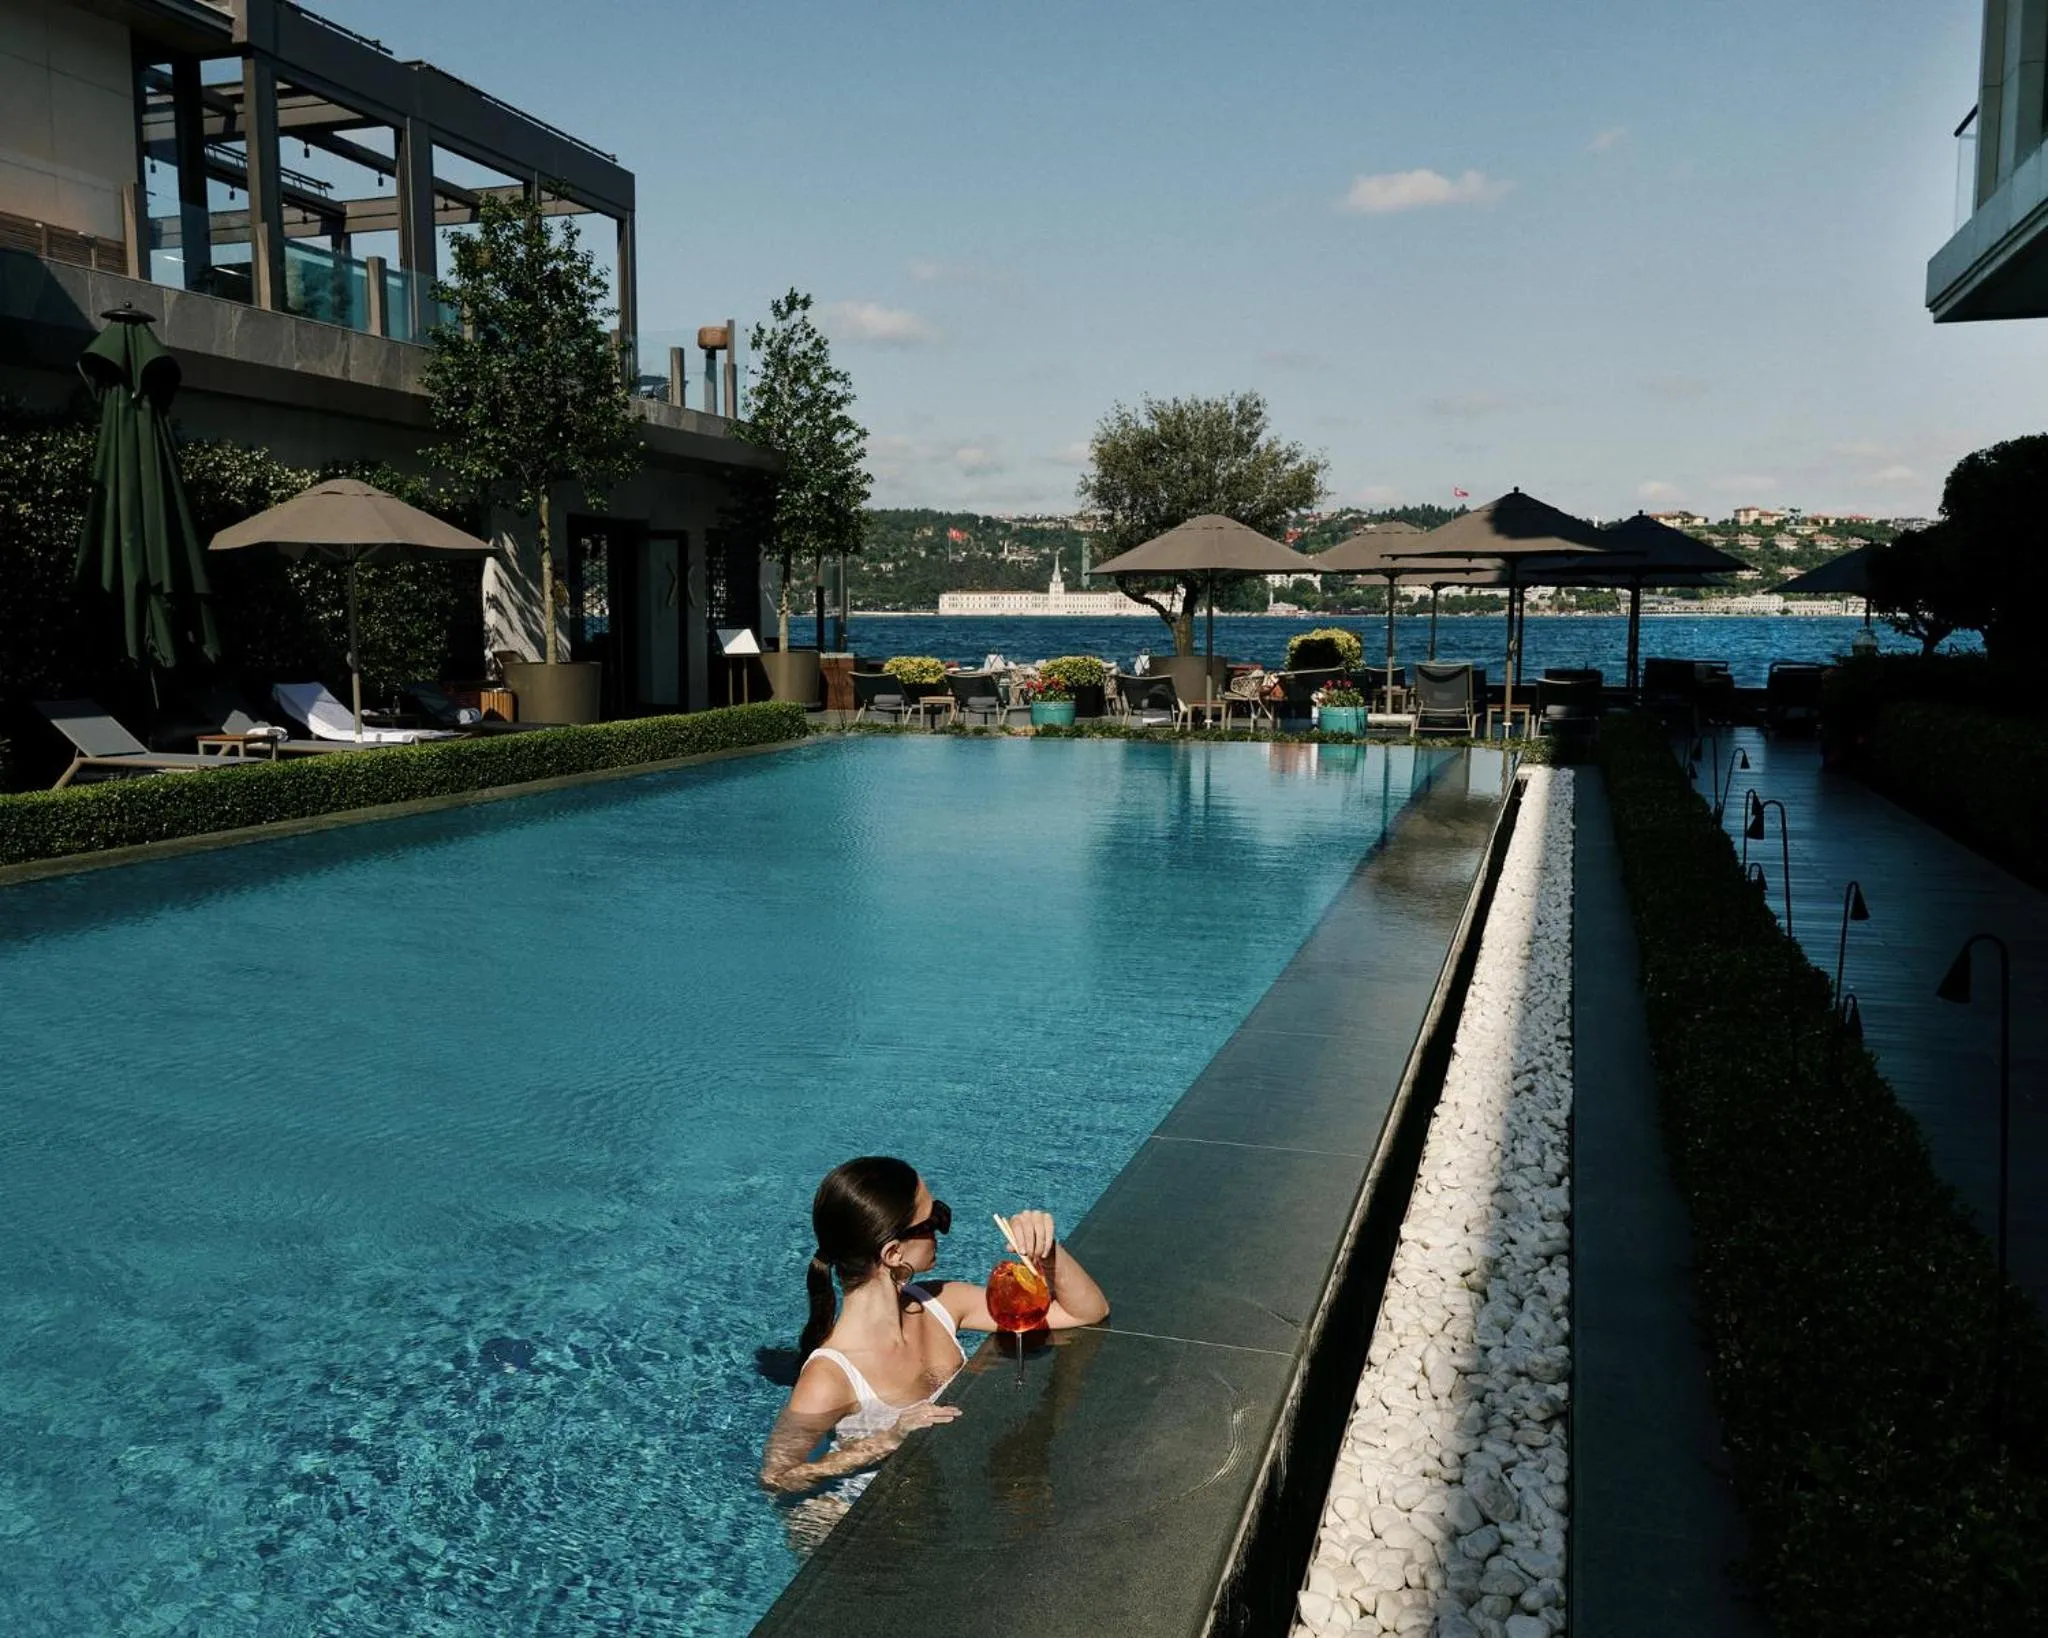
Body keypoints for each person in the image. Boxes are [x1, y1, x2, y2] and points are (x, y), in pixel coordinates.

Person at [759, 1155, 1109, 1500]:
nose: (943, 1228)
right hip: (862, 1515)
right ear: (893, 1254)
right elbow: (778, 1478)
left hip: (938, 1491)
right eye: (934, 1221)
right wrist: (889, 1438)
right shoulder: (829, 1376)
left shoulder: (941, 1303)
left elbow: (1084, 1312)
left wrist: (1048, 1252)